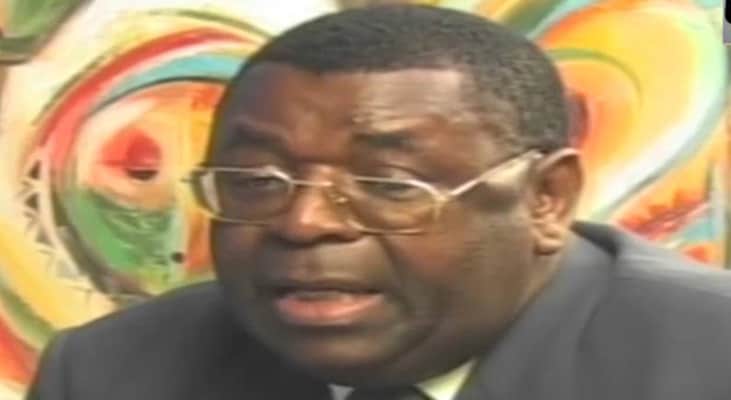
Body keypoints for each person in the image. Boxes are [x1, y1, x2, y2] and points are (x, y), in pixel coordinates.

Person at [26, 5, 731, 400]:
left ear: (545, 199)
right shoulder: (113, 375)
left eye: (390, 185)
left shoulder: (708, 360)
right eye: (257, 181)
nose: (304, 223)